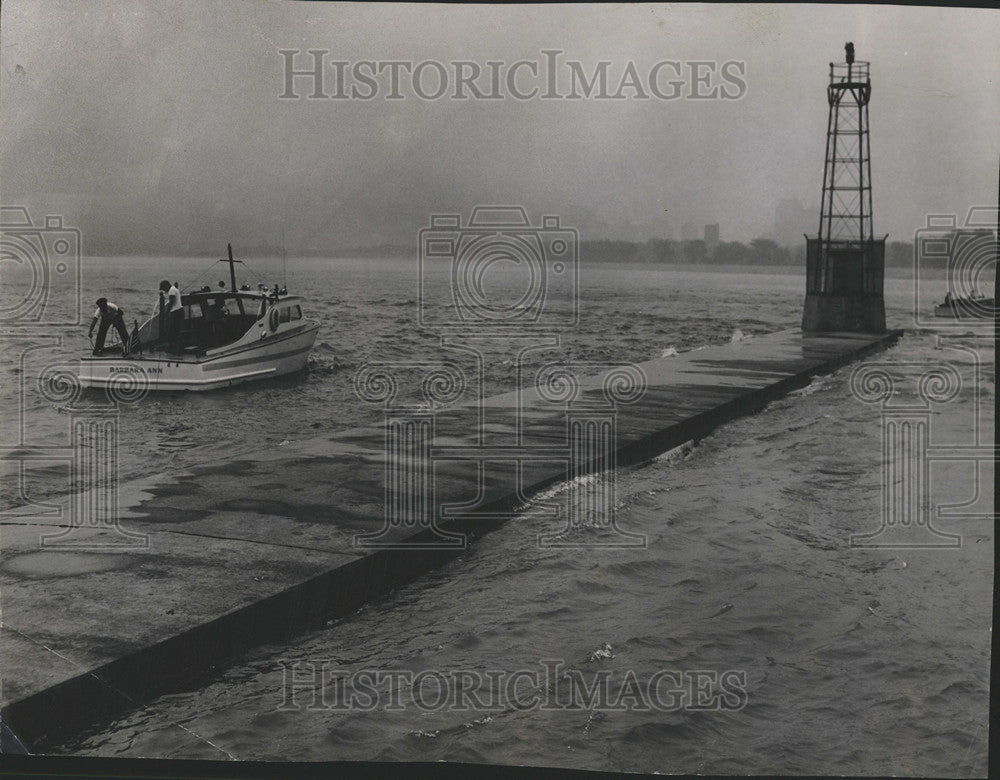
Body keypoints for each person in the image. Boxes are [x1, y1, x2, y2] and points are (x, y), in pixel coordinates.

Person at [158, 279, 184, 353]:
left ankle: (176, 350)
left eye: (163, 288)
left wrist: (166, 312)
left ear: (166, 286)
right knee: (175, 331)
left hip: (177, 312)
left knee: (174, 331)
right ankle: (175, 349)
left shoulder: (172, 290)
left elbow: (171, 302)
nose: (164, 290)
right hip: (178, 311)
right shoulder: (174, 289)